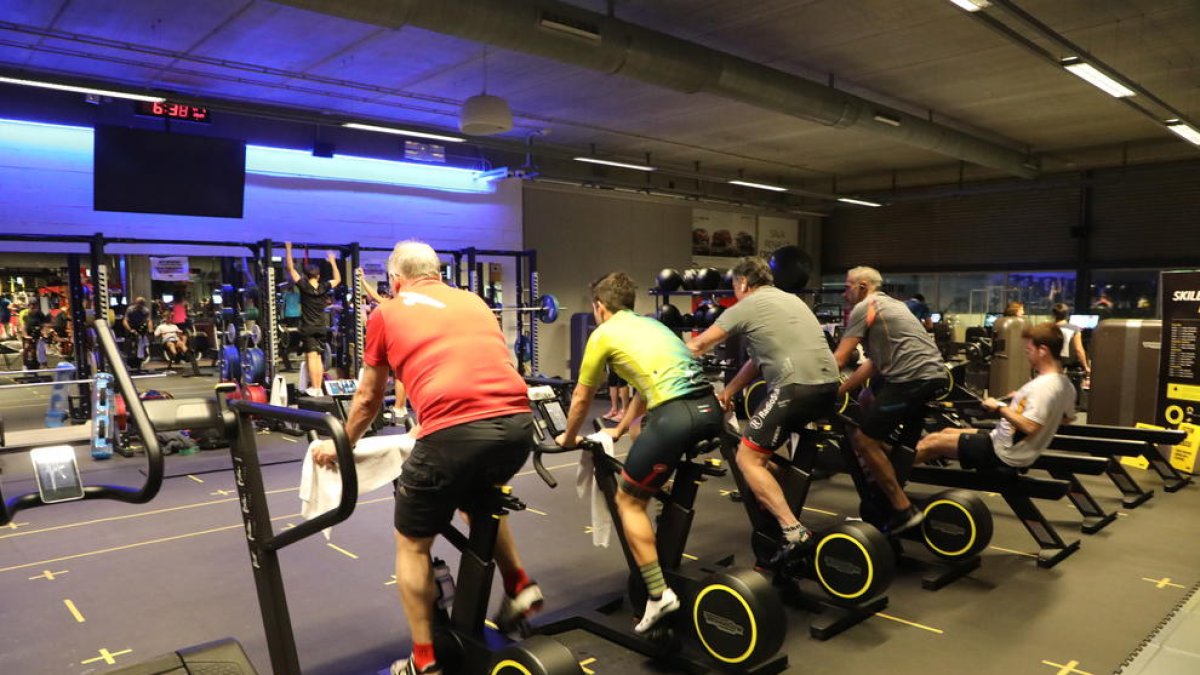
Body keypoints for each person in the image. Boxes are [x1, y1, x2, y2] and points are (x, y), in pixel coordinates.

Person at [310, 240, 540, 675]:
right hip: (516, 425)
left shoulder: (386, 312)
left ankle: (424, 661)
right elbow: (482, 366)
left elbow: (367, 398)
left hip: (455, 435)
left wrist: (342, 445)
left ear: (395, 280)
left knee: (413, 543)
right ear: (436, 272)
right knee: (479, 499)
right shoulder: (473, 302)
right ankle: (519, 584)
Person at [556, 272, 720, 634]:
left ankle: (659, 594)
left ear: (599, 307)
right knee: (649, 485)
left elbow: (582, 397)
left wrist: (568, 438)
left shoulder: (603, 335)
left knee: (628, 501)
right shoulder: (653, 326)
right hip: (710, 410)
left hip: (675, 418)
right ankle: (663, 566)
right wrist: (617, 428)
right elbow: (646, 389)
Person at [686, 256, 840, 566]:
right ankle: (778, 505)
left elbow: (698, 346)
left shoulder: (747, 305)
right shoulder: (790, 300)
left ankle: (793, 530)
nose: (735, 292)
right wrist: (728, 392)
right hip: (829, 387)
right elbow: (756, 362)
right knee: (762, 454)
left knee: (747, 457)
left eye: (735, 287)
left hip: (793, 388)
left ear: (743, 283)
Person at [833, 266, 948, 534]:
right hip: (929, 374)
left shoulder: (866, 307)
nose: (844, 292)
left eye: (847, 286)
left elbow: (839, 358)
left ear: (862, 286)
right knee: (866, 396)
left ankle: (902, 508)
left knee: (862, 439)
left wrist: (815, 384)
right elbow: (872, 364)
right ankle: (883, 462)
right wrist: (840, 391)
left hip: (912, 377)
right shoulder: (892, 305)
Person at [916, 323, 1076, 469]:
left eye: (1029, 351)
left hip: (1003, 452)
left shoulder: (1044, 386)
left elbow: (1030, 427)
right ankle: (909, 469)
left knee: (932, 441)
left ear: (1042, 351)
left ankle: (893, 482)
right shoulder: (1066, 385)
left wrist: (1000, 407)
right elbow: (1066, 418)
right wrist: (1020, 400)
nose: (1027, 356)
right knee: (945, 432)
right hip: (1009, 444)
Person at [285, 242, 341, 394]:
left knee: (312, 358)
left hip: (308, 328)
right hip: (321, 327)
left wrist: (288, 249)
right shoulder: (323, 287)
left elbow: (290, 269)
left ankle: (316, 388)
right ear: (318, 275)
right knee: (318, 358)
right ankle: (317, 388)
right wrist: (333, 261)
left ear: (306, 275)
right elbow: (337, 279)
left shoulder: (304, 286)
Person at [1050, 303, 1090, 385]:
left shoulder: (1049, 328)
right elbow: (1078, 349)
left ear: (1053, 315)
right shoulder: (1074, 329)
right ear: (1067, 314)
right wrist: (1086, 367)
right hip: (1069, 369)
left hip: (1052, 368)